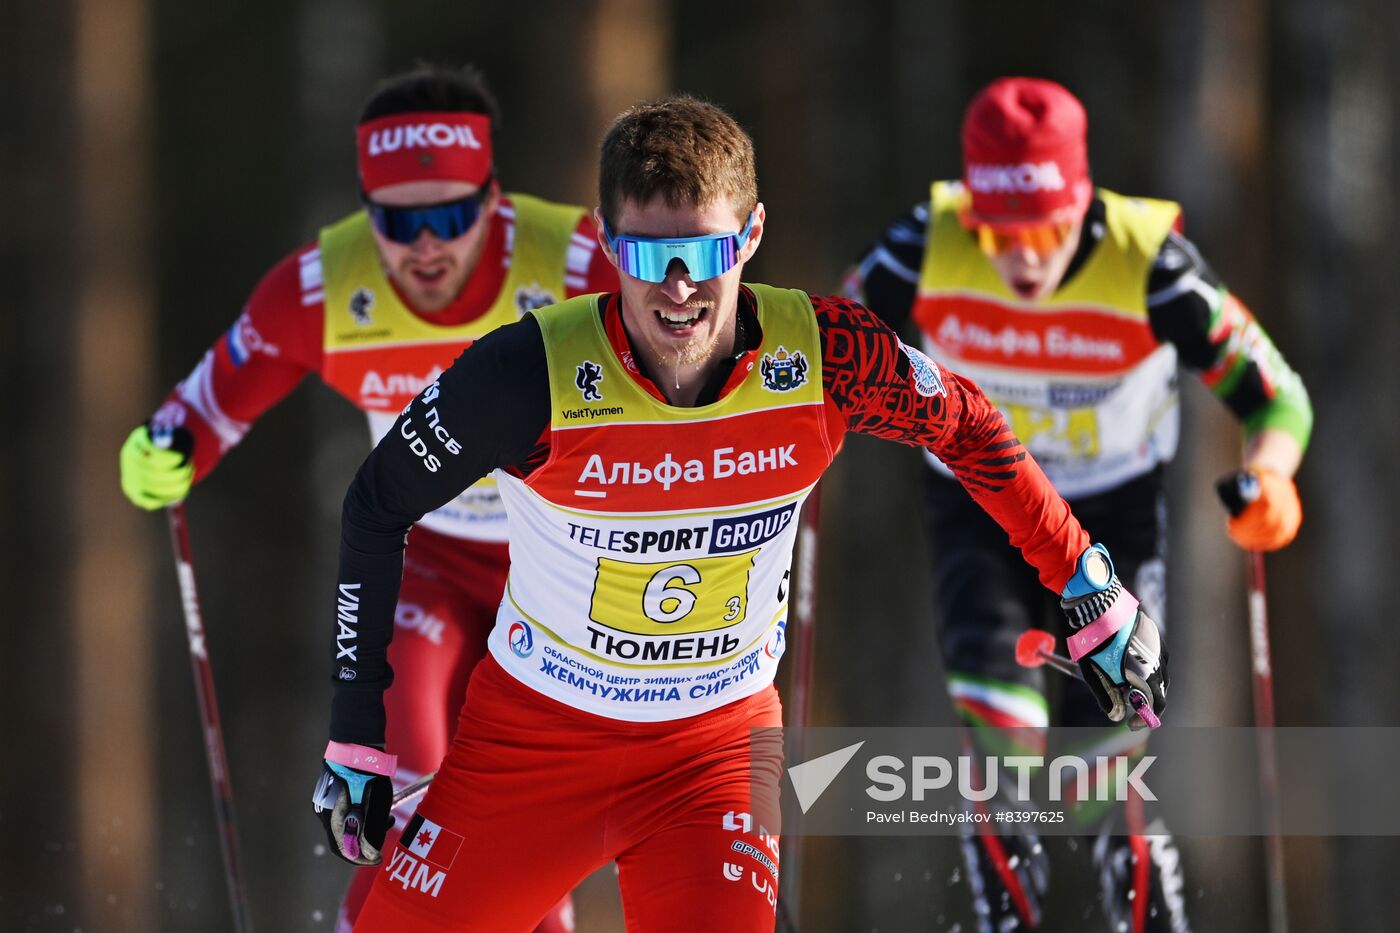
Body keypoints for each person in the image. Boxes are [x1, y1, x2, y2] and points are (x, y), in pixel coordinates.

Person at [308, 93, 1169, 932]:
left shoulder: (828, 356)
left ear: (751, 234)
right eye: (648, 257)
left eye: (704, 252)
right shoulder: (528, 374)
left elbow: (970, 425)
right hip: (536, 747)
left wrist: (1090, 584)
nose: (678, 290)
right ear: (607, 243)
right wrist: (356, 739)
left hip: (712, 757)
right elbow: (376, 504)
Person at [118, 64, 615, 932]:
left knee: (527, 818)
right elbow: (201, 408)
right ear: (365, 214)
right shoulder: (320, 287)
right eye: (399, 222)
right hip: (421, 557)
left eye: (453, 216)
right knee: (396, 793)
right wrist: (162, 453)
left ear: (494, 200)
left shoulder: (575, 261)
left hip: (562, 568)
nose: (427, 247)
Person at [845, 76, 1312, 933]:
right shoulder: (924, 243)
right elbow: (820, 361)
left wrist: (1272, 477)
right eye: (999, 233)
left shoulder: (1148, 259)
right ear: (969, 212)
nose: (1025, 260)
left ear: (1084, 201)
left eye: (1051, 230)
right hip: (979, 517)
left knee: (1104, 768)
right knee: (1001, 745)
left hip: (1110, 525)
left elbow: (1278, 395)